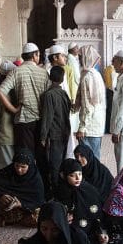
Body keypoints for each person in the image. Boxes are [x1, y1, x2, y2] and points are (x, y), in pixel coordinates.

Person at [0, 42, 50, 153]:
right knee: (40, 155)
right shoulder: (44, 73)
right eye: (38, 55)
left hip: (24, 119)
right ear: (34, 55)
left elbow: (0, 92)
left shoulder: (16, 71)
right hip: (41, 119)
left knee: (26, 156)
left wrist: (14, 109)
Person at [54, 159, 109, 244]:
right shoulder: (60, 192)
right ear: (63, 175)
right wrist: (63, 219)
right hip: (69, 232)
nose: (78, 178)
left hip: (89, 230)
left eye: (80, 174)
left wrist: (101, 232)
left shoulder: (89, 190)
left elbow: (98, 217)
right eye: (72, 175)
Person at [0, 148, 45, 227]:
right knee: (5, 203)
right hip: (9, 208)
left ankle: (9, 220)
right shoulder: (8, 171)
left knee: (40, 217)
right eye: (17, 165)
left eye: (23, 167)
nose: (19, 170)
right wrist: (0, 196)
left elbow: (38, 201)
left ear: (30, 165)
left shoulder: (35, 179)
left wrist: (21, 204)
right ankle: (4, 218)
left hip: (26, 209)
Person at [40, 66, 71, 194]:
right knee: (60, 163)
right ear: (63, 79)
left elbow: (48, 116)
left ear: (49, 77)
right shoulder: (64, 93)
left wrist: (43, 136)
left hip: (54, 134)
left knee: (54, 165)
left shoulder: (48, 95)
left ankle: (56, 193)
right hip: (64, 132)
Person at [75, 46, 106, 159]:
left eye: (80, 57)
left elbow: (88, 105)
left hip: (89, 126)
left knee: (86, 160)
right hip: (97, 124)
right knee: (95, 158)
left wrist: (82, 127)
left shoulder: (87, 77)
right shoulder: (96, 74)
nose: (78, 60)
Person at [0, 60, 18, 169]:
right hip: (22, 134)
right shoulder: (19, 90)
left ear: (0, 74)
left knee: (6, 168)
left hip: (5, 136)